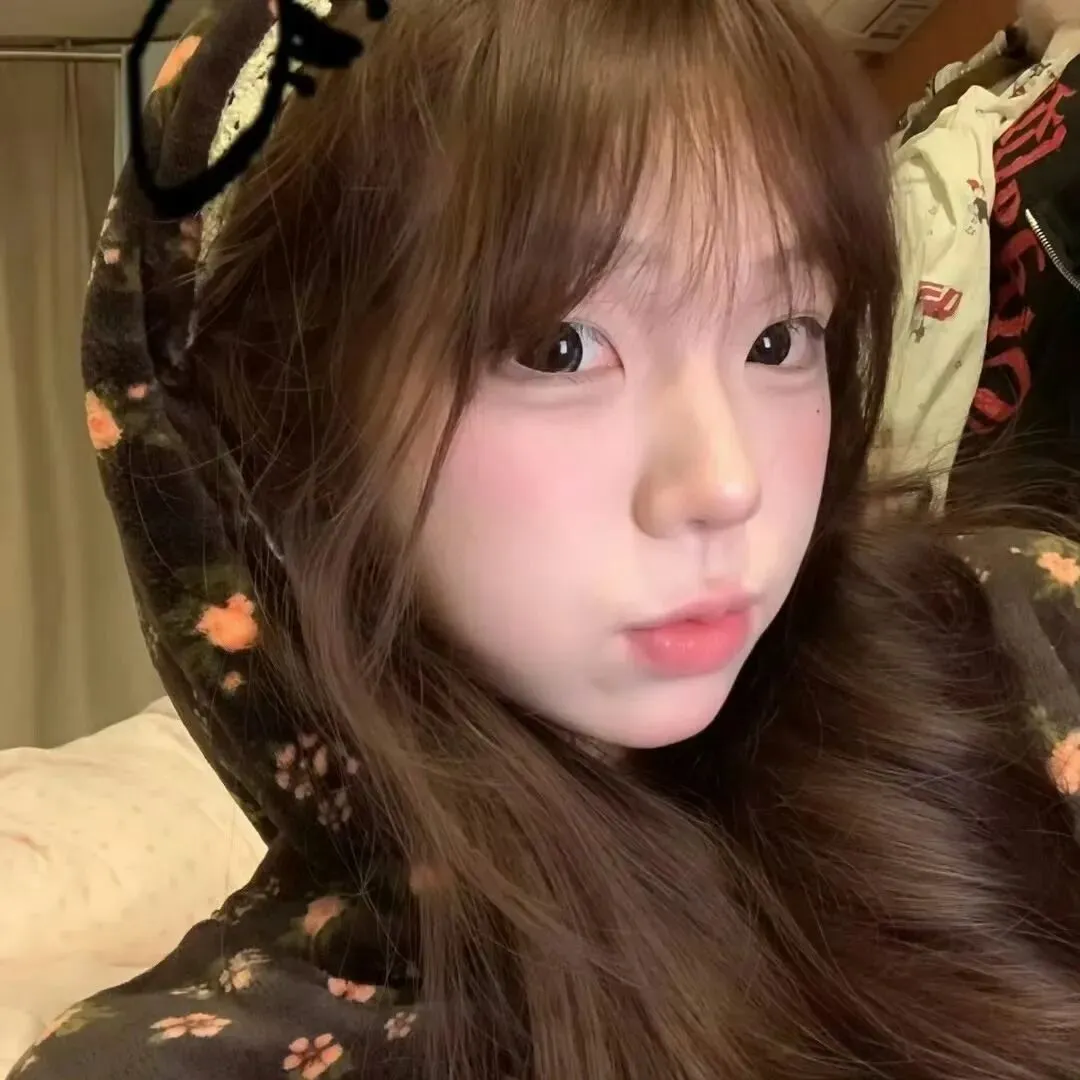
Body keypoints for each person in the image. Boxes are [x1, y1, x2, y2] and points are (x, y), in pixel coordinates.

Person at [13, 0, 1080, 1077]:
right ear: (281, 415)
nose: (727, 484)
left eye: (779, 337)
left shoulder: (1020, 638)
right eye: (558, 346)